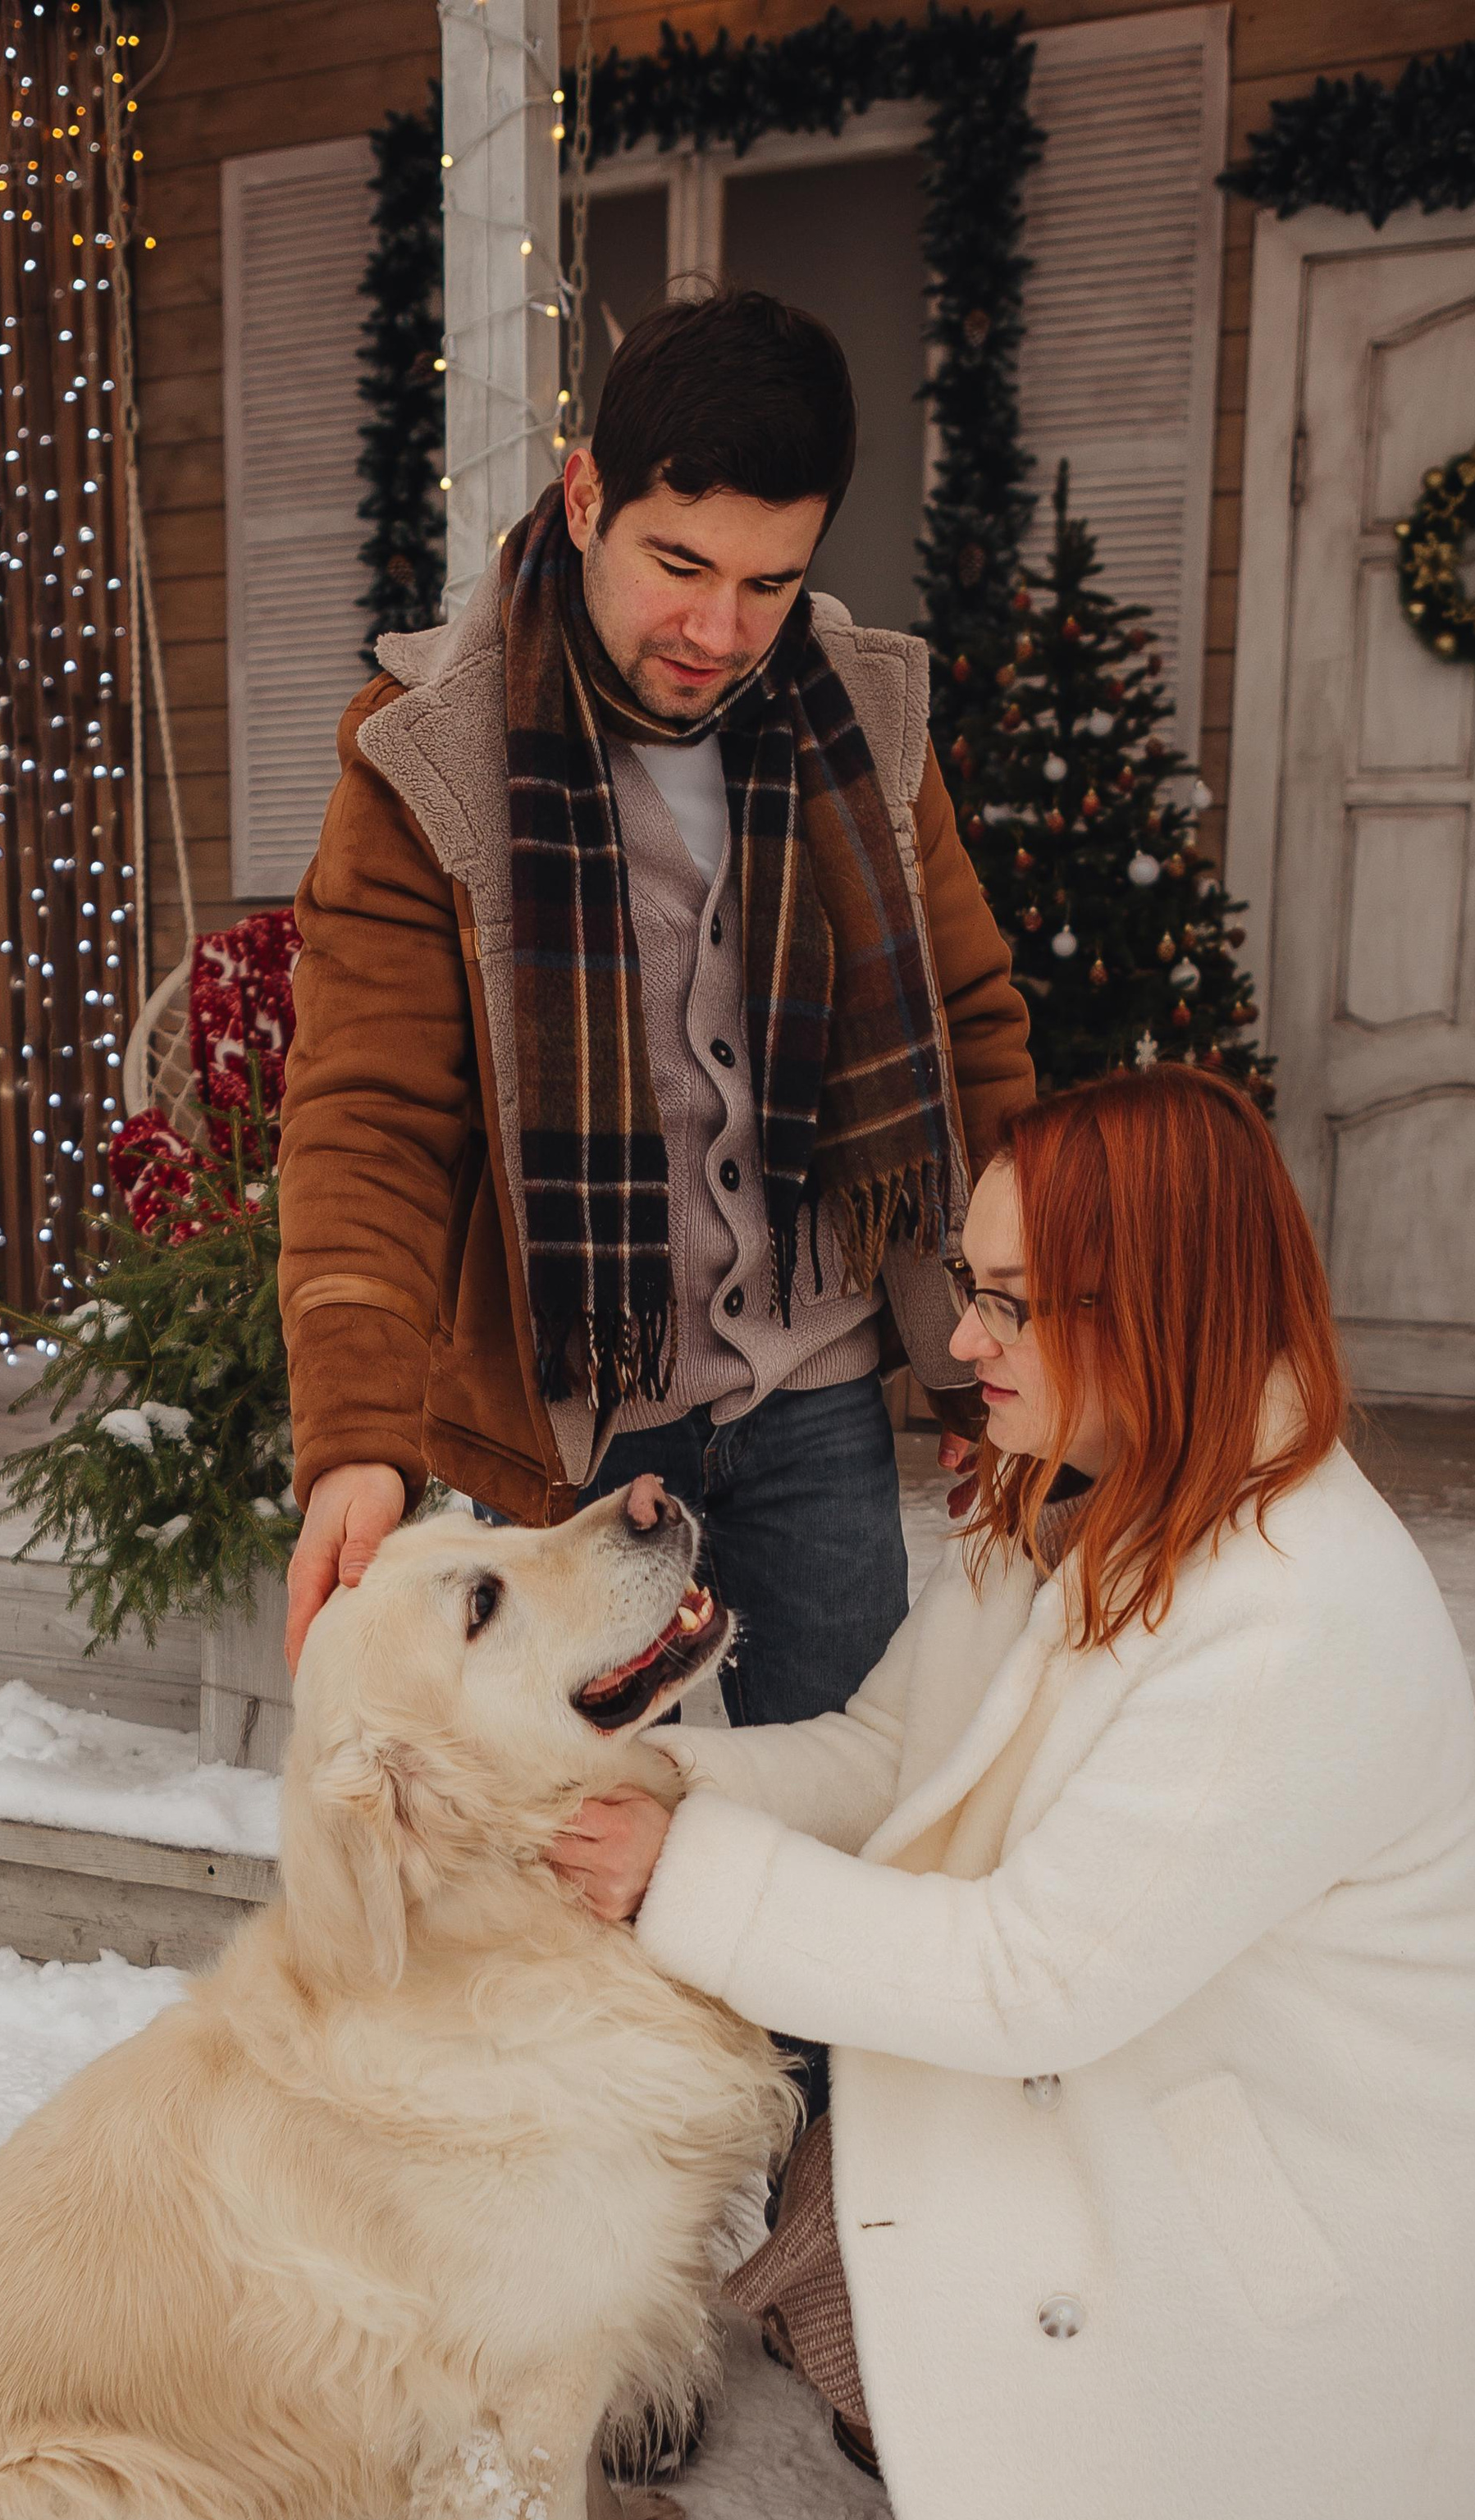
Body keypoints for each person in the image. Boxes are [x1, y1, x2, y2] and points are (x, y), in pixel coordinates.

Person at [548, 1066, 1475, 2520]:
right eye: (970, 1283)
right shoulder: (1079, 1501)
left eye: (1011, 1302)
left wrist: (681, 1883)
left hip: (1322, 2195)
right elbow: (894, 1764)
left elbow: (1032, 1978)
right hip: (1184, 2082)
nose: (956, 1339)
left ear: (1160, 1304)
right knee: (858, 2242)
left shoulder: (1293, 1614)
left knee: (911, 2295)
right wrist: (643, 1779)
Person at [276, 286, 1033, 1746]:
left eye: (769, 581)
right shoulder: (425, 756)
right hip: (576, 1412)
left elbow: (973, 1031)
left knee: (847, 1801)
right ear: (584, 497)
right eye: (678, 563)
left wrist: (1008, 1335)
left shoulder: (866, 722)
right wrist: (358, 1437)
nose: (717, 626)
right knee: (579, 1834)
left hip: (816, 1389)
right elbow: (368, 1116)